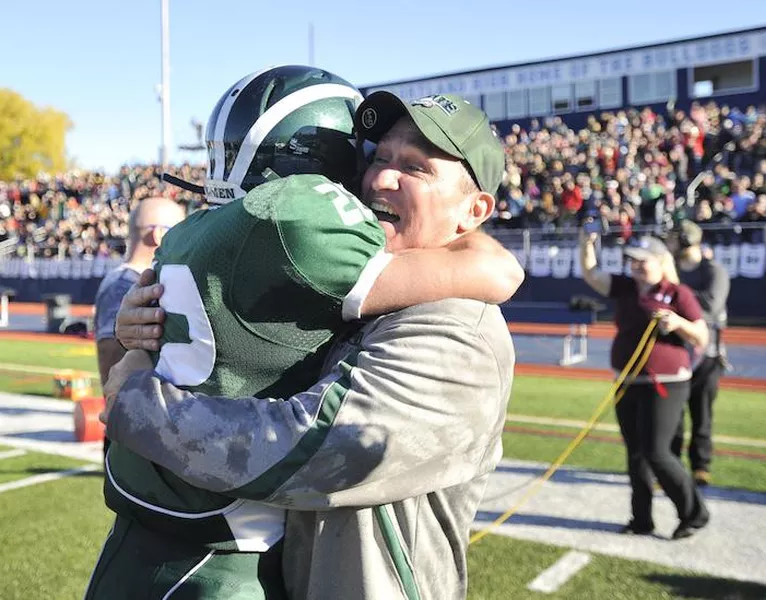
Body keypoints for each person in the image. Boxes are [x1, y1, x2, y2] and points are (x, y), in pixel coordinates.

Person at [91, 79, 518, 599]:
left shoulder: (459, 328)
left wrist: (135, 401)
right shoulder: (346, 282)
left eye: (415, 167)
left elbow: (312, 451)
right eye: (378, 156)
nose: (380, 177)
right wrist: (146, 327)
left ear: (474, 212)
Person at [579, 228, 711, 540]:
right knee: (635, 454)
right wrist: (586, 244)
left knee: (657, 452)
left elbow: (702, 337)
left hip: (664, 383)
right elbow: (592, 274)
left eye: (642, 260)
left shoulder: (678, 294)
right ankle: (641, 519)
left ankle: (695, 513)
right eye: (631, 260)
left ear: (660, 261)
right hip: (628, 381)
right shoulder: (625, 288)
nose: (635, 265)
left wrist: (677, 323)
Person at [92, 196, 185, 457]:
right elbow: (110, 356)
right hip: (136, 426)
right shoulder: (124, 284)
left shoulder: (135, 281)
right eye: (180, 230)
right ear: (158, 234)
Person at [666, 220, 730, 486]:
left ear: (684, 240)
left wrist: (681, 304)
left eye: (672, 239)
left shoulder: (712, 270)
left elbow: (710, 308)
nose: (668, 244)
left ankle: (701, 466)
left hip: (707, 355)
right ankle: (672, 466)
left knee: (701, 414)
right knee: (672, 416)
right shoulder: (672, 270)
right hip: (676, 350)